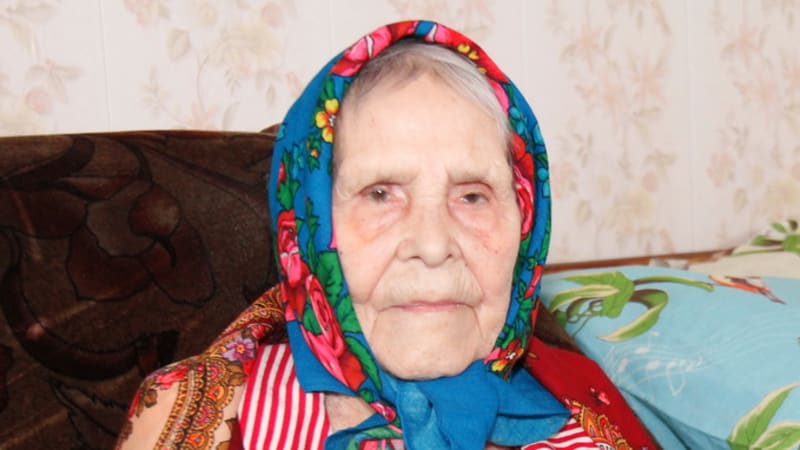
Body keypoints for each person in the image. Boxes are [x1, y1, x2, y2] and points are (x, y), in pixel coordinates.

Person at [116, 20, 658, 450]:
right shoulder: (199, 417)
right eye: (380, 194)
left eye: (472, 196)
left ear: (525, 225)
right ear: (308, 231)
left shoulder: (589, 416)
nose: (433, 245)